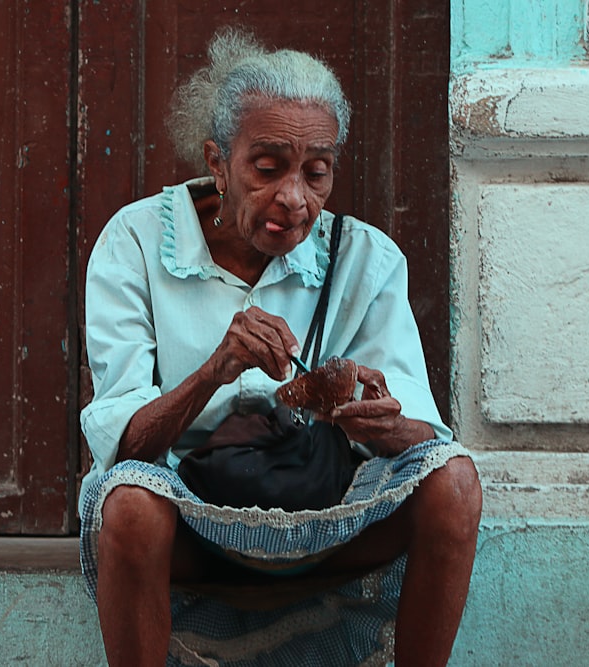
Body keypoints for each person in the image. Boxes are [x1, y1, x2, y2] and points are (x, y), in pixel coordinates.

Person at [79, 26, 482, 667]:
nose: (294, 200)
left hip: (330, 519)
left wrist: (381, 422)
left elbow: (425, 440)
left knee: (455, 481)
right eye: (267, 169)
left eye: (316, 174)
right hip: (192, 521)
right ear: (217, 162)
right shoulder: (134, 242)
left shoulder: (365, 257)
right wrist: (216, 369)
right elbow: (123, 444)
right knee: (127, 503)